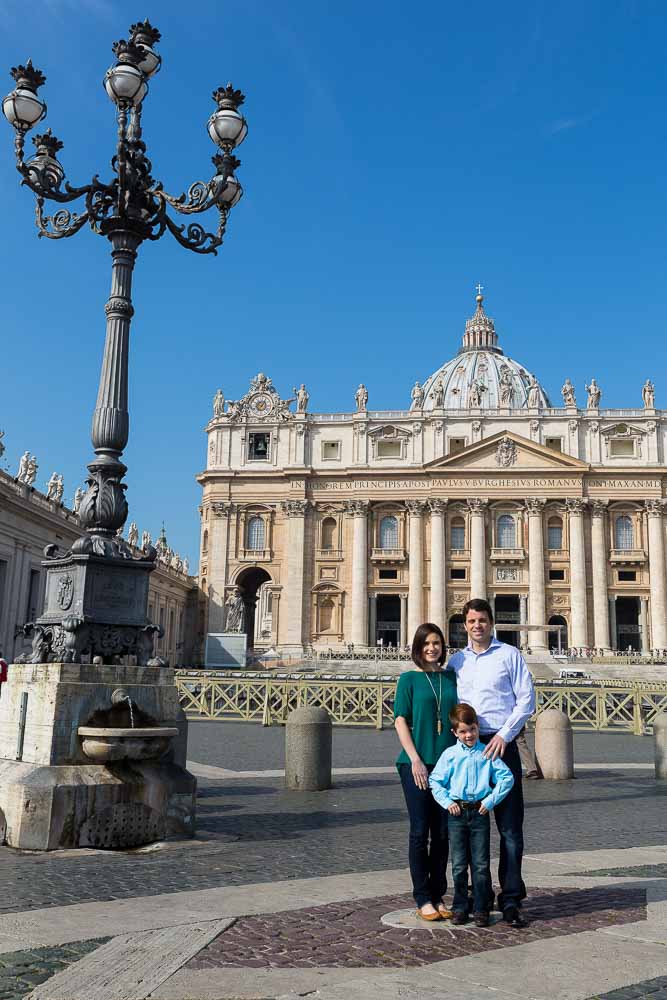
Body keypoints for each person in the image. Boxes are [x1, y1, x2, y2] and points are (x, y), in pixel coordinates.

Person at [448, 598, 536, 927]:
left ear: (491, 622)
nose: (477, 626)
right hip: (469, 749)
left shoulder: (510, 655)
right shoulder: (456, 662)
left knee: (510, 828)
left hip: (502, 745)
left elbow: (526, 699)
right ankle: (475, 897)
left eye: (482, 620)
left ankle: (511, 898)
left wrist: (505, 735)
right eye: (471, 621)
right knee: (470, 827)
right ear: (465, 625)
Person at [394, 623, 458, 921]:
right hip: (417, 765)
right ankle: (422, 897)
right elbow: (400, 721)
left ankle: (438, 894)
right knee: (420, 832)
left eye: (437, 643)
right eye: (427, 643)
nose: (432, 648)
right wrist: (415, 760)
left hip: (448, 767)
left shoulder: (452, 677)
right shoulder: (408, 679)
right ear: (418, 647)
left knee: (443, 833)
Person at [430, 703, 514, 927]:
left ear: (478, 728)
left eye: (472, 729)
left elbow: (507, 778)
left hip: (479, 812)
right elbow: (435, 781)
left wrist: (490, 801)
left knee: (480, 864)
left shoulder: (487, 752)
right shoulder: (450, 755)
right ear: (455, 733)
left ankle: (481, 906)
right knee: (458, 864)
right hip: (457, 813)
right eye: (463, 731)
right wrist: (447, 802)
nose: (469, 735)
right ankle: (460, 906)